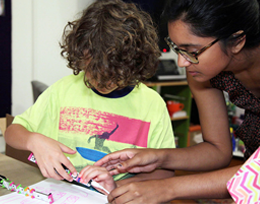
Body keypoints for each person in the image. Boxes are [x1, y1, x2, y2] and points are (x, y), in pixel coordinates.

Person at [94, 0, 260, 203]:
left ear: (236, 41)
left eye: (192, 50)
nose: (182, 62)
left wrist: (167, 188)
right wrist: (159, 157)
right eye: (177, 48)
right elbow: (218, 150)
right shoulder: (200, 71)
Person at [4, 0, 176, 193]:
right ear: (81, 57)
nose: (103, 82)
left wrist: (116, 185)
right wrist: (32, 140)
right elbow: (12, 132)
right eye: (94, 71)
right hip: (63, 192)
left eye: (113, 74)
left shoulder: (152, 105)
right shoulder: (63, 90)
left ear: (134, 64)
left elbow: (166, 173)